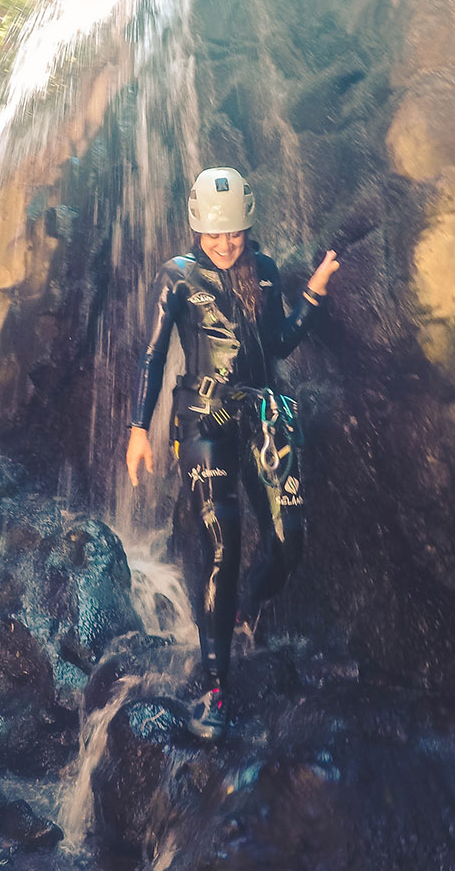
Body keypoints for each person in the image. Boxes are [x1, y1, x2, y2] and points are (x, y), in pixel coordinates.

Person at [125, 167, 340, 741]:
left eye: (235, 234)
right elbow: (152, 357)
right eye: (215, 234)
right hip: (202, 417)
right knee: (223, 541)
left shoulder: (263, 272)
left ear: (247, 226)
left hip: (264, 414)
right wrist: (137, 428)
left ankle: (244, 612)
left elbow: (279, 344)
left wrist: (313, 293)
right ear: (197, 228)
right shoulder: (177, 276)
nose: (225, 244)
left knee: (289, 540)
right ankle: (217, 686)